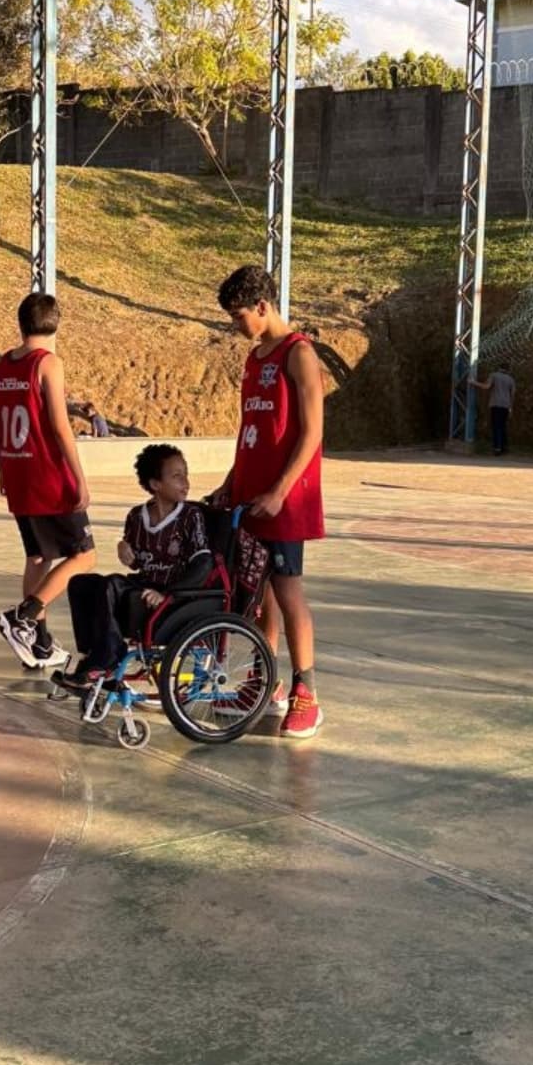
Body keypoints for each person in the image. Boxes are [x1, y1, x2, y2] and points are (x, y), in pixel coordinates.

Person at [213, 265, 325, 740]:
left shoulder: (299, 354)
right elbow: (250, 432)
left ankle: (307, 694)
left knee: (287, 589)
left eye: (239, 316)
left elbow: (312, 433)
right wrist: (231, 482)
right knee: (257, 594)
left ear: (262, 306)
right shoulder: (254, 357)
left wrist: (279, 491)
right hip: (250, 496)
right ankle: (266, 681)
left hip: (284, 500)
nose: (236, 325)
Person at [0, 292, 94, 671]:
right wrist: (79, 478)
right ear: (56, 322)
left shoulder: (5, 363)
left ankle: (39, 644)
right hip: (48, 476)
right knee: (84, 555)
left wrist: (3, 466)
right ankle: (23, 617)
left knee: (39, 557)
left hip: (19, 473)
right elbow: (60, 427)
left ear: (21, 322)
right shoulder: (48, 363)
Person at [53, 444, 211, 697]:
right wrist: (123, 549)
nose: (186, 482)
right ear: (155, 484)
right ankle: (92, 657)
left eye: (185, 474)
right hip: (144, 585)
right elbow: (138, 563)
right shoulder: (137, 517)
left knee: (112, 585)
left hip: (174, 595)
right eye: (176, 476)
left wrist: (168, 594)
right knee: (81, 583)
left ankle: (108, 658)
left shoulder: (191, 516)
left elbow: (203, 564)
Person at [470, 363, 516, 455]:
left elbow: (486, 386)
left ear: (499, 368)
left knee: (496, 426)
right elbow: (513, 394)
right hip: (506, 405)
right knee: (503, 426)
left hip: (496, 403)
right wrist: (511, 407)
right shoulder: (511, 379)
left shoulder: (494, 375)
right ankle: (504, 447)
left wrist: (473, 382)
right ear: (508, 370)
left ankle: (497, 448)